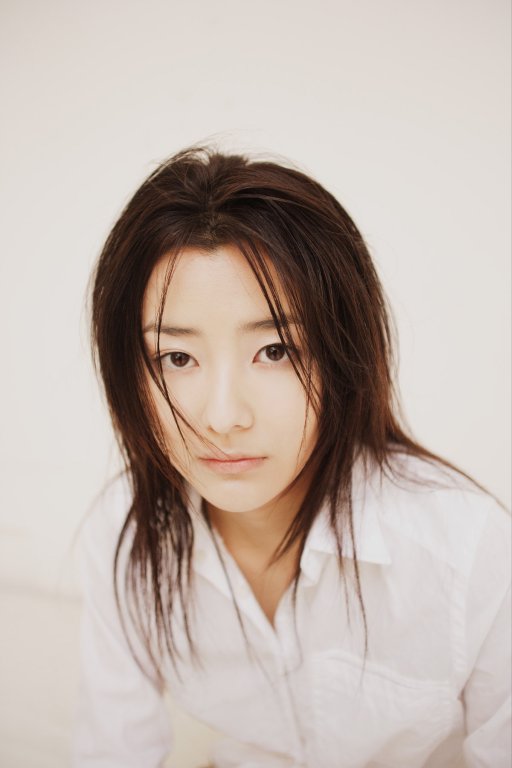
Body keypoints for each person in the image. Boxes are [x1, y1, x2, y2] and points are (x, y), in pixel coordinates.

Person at [73, 146, 511, 768]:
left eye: (275, 351)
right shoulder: (124, 534)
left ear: (341, 356)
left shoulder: (467, 552)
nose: (223, 417)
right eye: (177, 358)